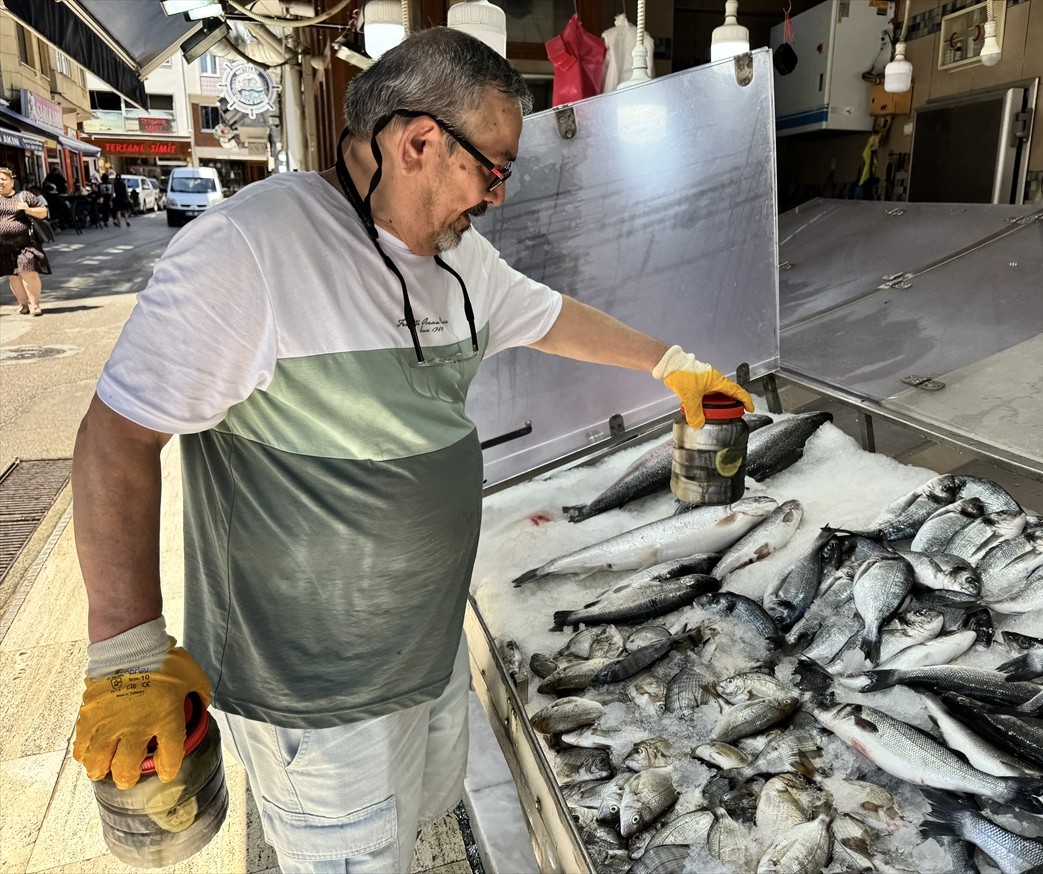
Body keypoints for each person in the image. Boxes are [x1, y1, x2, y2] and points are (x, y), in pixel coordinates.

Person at [70, 27, 753, 874]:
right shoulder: (251, 249)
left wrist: (674, 368)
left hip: (425, 661)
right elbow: (117, 437)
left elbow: (550, 314)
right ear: (418, 141)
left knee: (410, 833)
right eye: (493, 167)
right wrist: (128, 651)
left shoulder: (459, 258)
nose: (499, 195)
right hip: (317, 700)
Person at [0, 166, 51, 316]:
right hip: (3, 246)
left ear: (11, 181)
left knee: (28, 271)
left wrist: (28, 209)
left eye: (3, 179)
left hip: (25, 244)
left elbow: (43, 213)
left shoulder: (24, 196)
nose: (0, 183)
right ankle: (23, 305)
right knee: (13, 275)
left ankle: (35, 305)